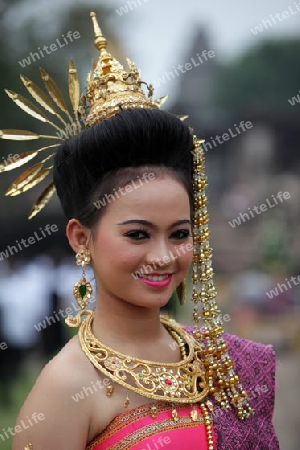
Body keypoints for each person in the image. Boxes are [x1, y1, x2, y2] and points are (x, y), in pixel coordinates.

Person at [1, 12, 279, 450]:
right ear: (80, 238)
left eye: (180, 233)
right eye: (138, 234)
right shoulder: (64, 391)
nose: (165, 256)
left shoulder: (222, 361)